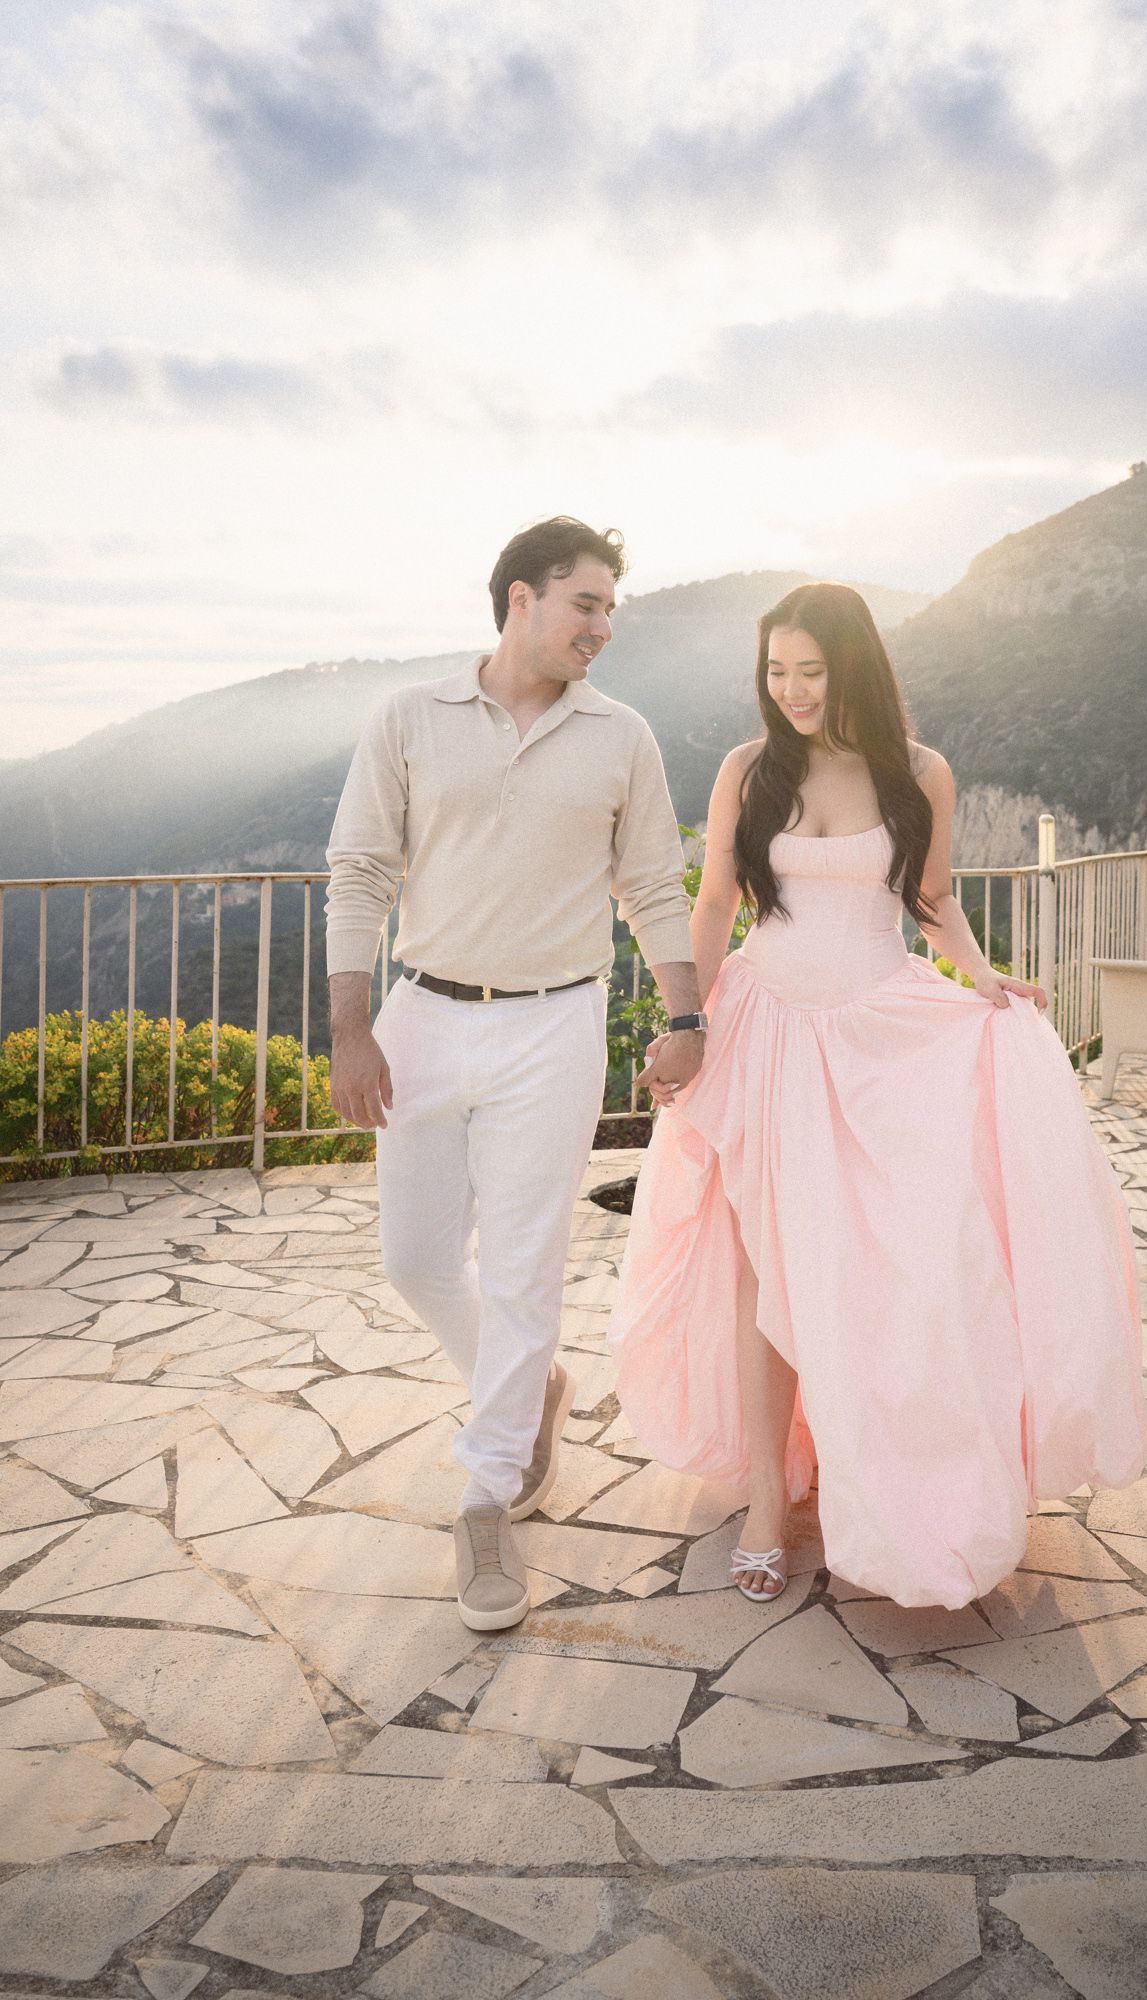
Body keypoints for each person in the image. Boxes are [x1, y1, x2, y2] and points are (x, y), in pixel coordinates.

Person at [608, 582, 1147, 1610]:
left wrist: (987, 983)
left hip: (874, 1032)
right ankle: (768, 1504)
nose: (792, 689)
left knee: (889, 1263)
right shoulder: (748, 769)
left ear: (853, 663)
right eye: (776, 671)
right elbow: (716, 897)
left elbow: (930, 897)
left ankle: (891, 1465)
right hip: (763, 1025)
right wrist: (688, 1022)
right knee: (756, 1270)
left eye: (810, 669)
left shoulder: (920, 773)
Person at [325, 517, 705, 1631]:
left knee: (527, 1266)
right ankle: (529, 1386)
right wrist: (354, 1029)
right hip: (422, 1018)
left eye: (609, 612)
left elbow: (652, 888)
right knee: (415, 1257)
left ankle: (487, 1498)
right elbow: (357, 872)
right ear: (520, 600)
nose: (601, 629)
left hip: (555, 1026)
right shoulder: (409, 718)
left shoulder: (622, 735)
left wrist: (685, 1014)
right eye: (585, 604)